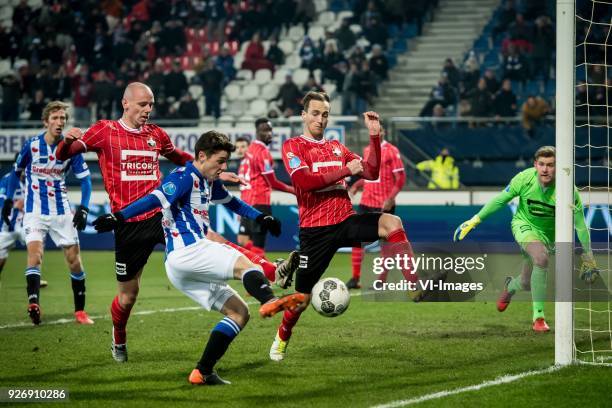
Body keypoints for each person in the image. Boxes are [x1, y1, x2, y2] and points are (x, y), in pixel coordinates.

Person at [55, 82, 294, 362]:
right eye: (143, 104)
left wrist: (213, 170)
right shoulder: (104, 131)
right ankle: (118, 336)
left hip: (160, 213)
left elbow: (184, 159)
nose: (148, 110)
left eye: (151, 105)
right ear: (126, 104)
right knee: (128, 296)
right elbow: (62, 156)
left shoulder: (156, 135)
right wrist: (67, 140)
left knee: (209, 236)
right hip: (128, 224)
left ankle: (271, 270)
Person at [92, 130, 305, 384]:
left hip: (181, 267)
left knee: (238, 313)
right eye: (220, 161)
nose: (224, 167)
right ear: (202, 156)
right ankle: (270, 300)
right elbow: (155, 199)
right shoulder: (183, 176)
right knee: (246, 266)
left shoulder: (208, 181)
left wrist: (261, 217)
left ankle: (202, 372)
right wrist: (119, 217)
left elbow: (233, 203)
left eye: (226, 161)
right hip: (189, 250)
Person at [269, 91, 419, 361]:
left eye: (325, 114)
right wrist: (345, 171)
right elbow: (304, 183)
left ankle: (413, 284)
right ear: (304, 115)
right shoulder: (293, 146)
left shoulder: (337, 147)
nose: (320, 119)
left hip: (345, 220)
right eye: (315, 113)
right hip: (315, 231)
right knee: (301, 299)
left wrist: (374, 137)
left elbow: (371, 172)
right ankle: (282, 336)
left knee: (392, 223)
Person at [454, 146, 599, 332]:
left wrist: (589, 256)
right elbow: (500, 200)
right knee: (542, 257)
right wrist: (474, 221)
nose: (545, 169)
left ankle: (510, 286)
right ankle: (538, 318)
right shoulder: (524, 178)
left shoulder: (567, 190)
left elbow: (580, 225)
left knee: (525, 282)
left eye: (551, 165)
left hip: (550, 237)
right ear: (535, 165)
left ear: (557, 166)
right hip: (524, 226)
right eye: (541, 164)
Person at [2, 101, 93, 325]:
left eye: (63, 118)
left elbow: (86, 181)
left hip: (62, 211)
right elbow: (16, 173)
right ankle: (34, 303)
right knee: (35, 255)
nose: (60, 122)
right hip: (35, 211)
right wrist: (6, 201)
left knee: (74, 262)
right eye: (55, 118)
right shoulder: (31, 145)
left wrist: (84, 207)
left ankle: (80, 312)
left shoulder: (72, 149)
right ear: (46, 122)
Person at [347, 125, 405, 289]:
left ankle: (381, 280)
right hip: (366, 202)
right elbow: (369, 177)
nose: (376, 133)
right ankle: (355, 278)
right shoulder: (367, 151)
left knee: (385, 244)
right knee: (356, 240)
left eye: (379, 130)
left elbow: (400, 178)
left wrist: (391, 198)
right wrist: (357, 185)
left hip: (383, 204)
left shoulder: (392, 151)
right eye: (373, 130)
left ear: (384, 132)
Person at [237, 119, 296, 269]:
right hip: (260, 203)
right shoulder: (263, 153)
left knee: (246, 243)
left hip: (250, 203)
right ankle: (272, 272)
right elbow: (273, 183)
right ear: (257, 132)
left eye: (270, 131)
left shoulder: (250, 151)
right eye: (265, 131)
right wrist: (294, 191)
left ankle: (266, 273)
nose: (269, 134)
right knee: (257, 245)